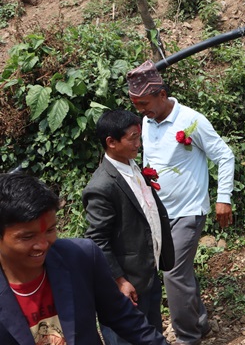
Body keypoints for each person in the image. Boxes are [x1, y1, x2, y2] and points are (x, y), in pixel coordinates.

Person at [127, 60, 235, 345]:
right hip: (159, 212)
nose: (142, 111)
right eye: (137, 105)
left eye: (145, 103)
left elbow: (224, 156)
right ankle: (199, 322)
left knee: (173, 273)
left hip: (189, 211)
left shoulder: (191, 121)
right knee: (181, 272)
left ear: (162, 95)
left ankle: (188, 338)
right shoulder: (146, 122)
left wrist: (223, 198)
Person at [0, 173, 168, 345]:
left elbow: (121, 316)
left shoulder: (80, 258)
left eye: (50, 230)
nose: (43, 245)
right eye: (27, 237)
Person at [83, 109, 175, 345]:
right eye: (133, 138)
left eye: (139, 136)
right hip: (127, 285)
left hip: (147, 274)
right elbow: (97, 239)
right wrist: (119, 281)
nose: (139, 143)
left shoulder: (132, 167)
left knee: (152, 333)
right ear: (111, 142)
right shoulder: (102, 186)